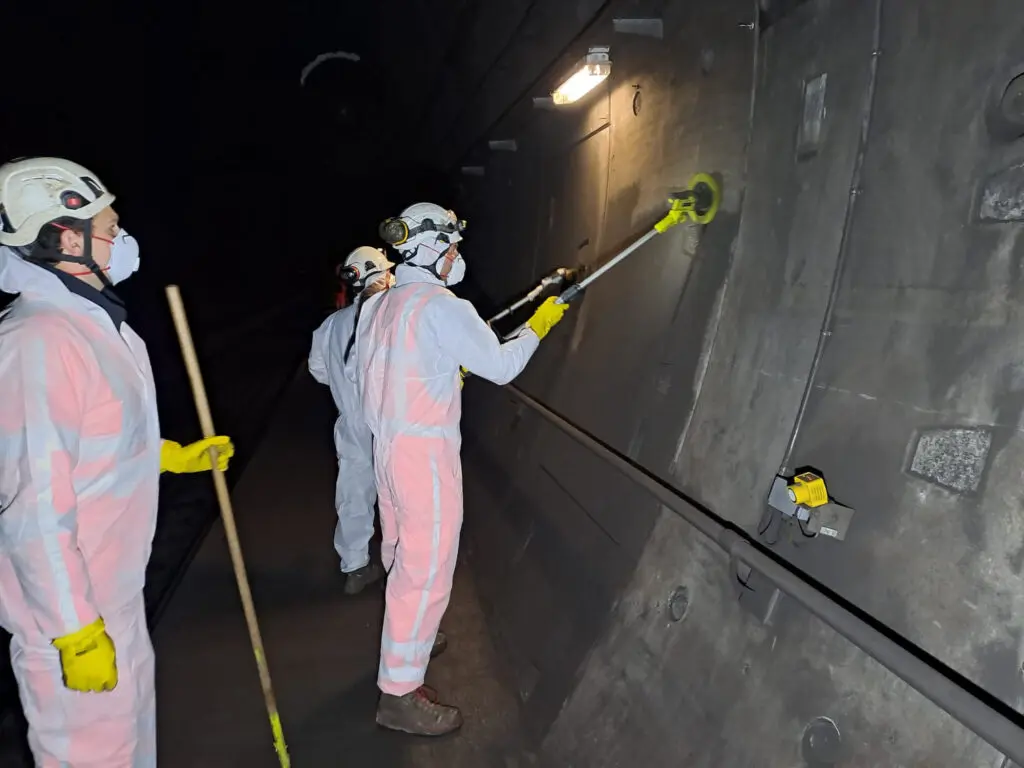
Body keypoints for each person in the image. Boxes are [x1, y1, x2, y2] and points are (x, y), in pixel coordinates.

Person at [0, 156, 234, 766]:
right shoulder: (38, 342)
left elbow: (93, 446)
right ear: (63, 236)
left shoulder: (99, 327)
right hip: (69, 618)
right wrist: (74, 630)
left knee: (128, 747)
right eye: (109, 228)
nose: (121, 240)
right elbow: (32, 508)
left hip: (113, 594)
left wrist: (170, 457)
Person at [356, 202, 567, 735]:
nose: (455, 256)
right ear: (429, 249)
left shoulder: (378, 307)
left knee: (400, 553)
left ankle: (409, 639)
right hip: (424, 458)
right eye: (449, 246)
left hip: (386, 450)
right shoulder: (442, 306)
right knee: (424, 570)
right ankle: (399, 695)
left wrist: (441, 377)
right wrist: (538, 326)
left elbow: (375, 377)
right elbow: (500, 366)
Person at [309, 246, 394, 595]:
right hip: (390, 423)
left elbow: (318, 370)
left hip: (351, 424)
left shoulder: (331, 324)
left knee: (354, 494)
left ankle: (356, 568)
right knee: (399, 494)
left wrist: (346, 391)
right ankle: (401, 568)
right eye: (387, 271)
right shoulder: (391, 315)